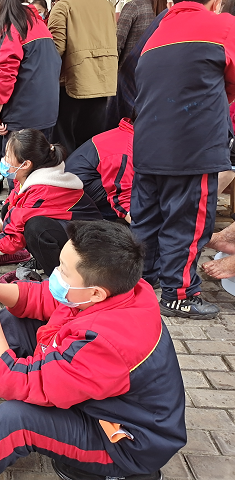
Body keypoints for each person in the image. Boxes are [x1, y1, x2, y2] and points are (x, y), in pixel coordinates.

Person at [0, 221, 186, 480]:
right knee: (13, 321)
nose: (56, 275)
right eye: (59, 264)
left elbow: (11, 381)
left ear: (96, 292)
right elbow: (45, 296)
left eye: (63, 271)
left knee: (16, 420)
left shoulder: (107, 342)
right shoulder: (119, 289)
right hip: (100, 394)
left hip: (124, 442)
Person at [131, 0, 235, 319]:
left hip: (146, 142)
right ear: (214, 3)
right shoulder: (223, 25)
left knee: (146, 220)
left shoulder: (156, 32)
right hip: (192, 144)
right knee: (187, 223)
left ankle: (141, 285)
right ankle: (179, 295)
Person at [0, 129, 101, 276]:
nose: (5, 160)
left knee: (35, 229)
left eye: (8, 156)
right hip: (70, 229)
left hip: (91, 244)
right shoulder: (26, 179)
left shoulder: (42, 190)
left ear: (25, 164)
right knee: (9, 211)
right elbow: (10, 215)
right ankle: (41, 260)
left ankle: (61, 279)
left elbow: (13, 238)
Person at [0, 0, 61, 172]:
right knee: (39, 165)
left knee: (16, 168)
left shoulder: (11, 27)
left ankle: (13, 197)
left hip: (21, 114)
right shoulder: (40, 26)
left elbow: (4, 73)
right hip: (47, 111)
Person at [48, 0, 118, 153]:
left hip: (72, 83)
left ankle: (66, 176)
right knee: (92, 143)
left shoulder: (64, 6)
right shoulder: (106, 5)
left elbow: (55, 49)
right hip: (102, 80)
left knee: (64, 143)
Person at [64, 118, 134, 223]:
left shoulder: (127, 133)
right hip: (74, 199)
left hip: (82, 183)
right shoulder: (125, 151)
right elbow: (122, 199)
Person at [117, 0, 165, 69]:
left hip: (128, 73)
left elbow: (117, 44)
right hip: (152, 71)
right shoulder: (165, 11)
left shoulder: (133, 6)